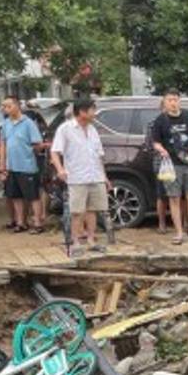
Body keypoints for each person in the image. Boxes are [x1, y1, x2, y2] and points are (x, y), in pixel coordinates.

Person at [51, 98, 111, 256]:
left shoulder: (92, 129)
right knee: (77, 211)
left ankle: (91, 240)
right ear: (82, 112)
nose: (94, 113)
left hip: (95, 175)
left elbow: (99, 155)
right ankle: (75, 242)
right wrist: (60, 169)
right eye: (92, 110)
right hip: (77, 176)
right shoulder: (65, 129)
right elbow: (55, 151)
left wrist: (104, 176)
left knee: (93, 210)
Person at [149, 89, 188, 244]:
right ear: (165, 102)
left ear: (179, 101)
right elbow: (155, 141)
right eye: (170, 100)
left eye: (175, 99)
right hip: (171, 165)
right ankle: (179, 233)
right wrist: (161, 150)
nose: (173, 103)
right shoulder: (160, 120)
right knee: (174, 198)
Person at [0, 95, 46, 233]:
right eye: (4, 106)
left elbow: (37, 143)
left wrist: (34, 151)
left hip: (27, 166)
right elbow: (3, 144)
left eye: (8, 106)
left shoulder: (28, 123)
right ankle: (20, 222)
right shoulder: (6, 124)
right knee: (15, 196)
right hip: (11, 166)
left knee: (33, 196)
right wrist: (2, 165)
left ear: (17, 106)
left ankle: (37, 223)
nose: (6, 109)